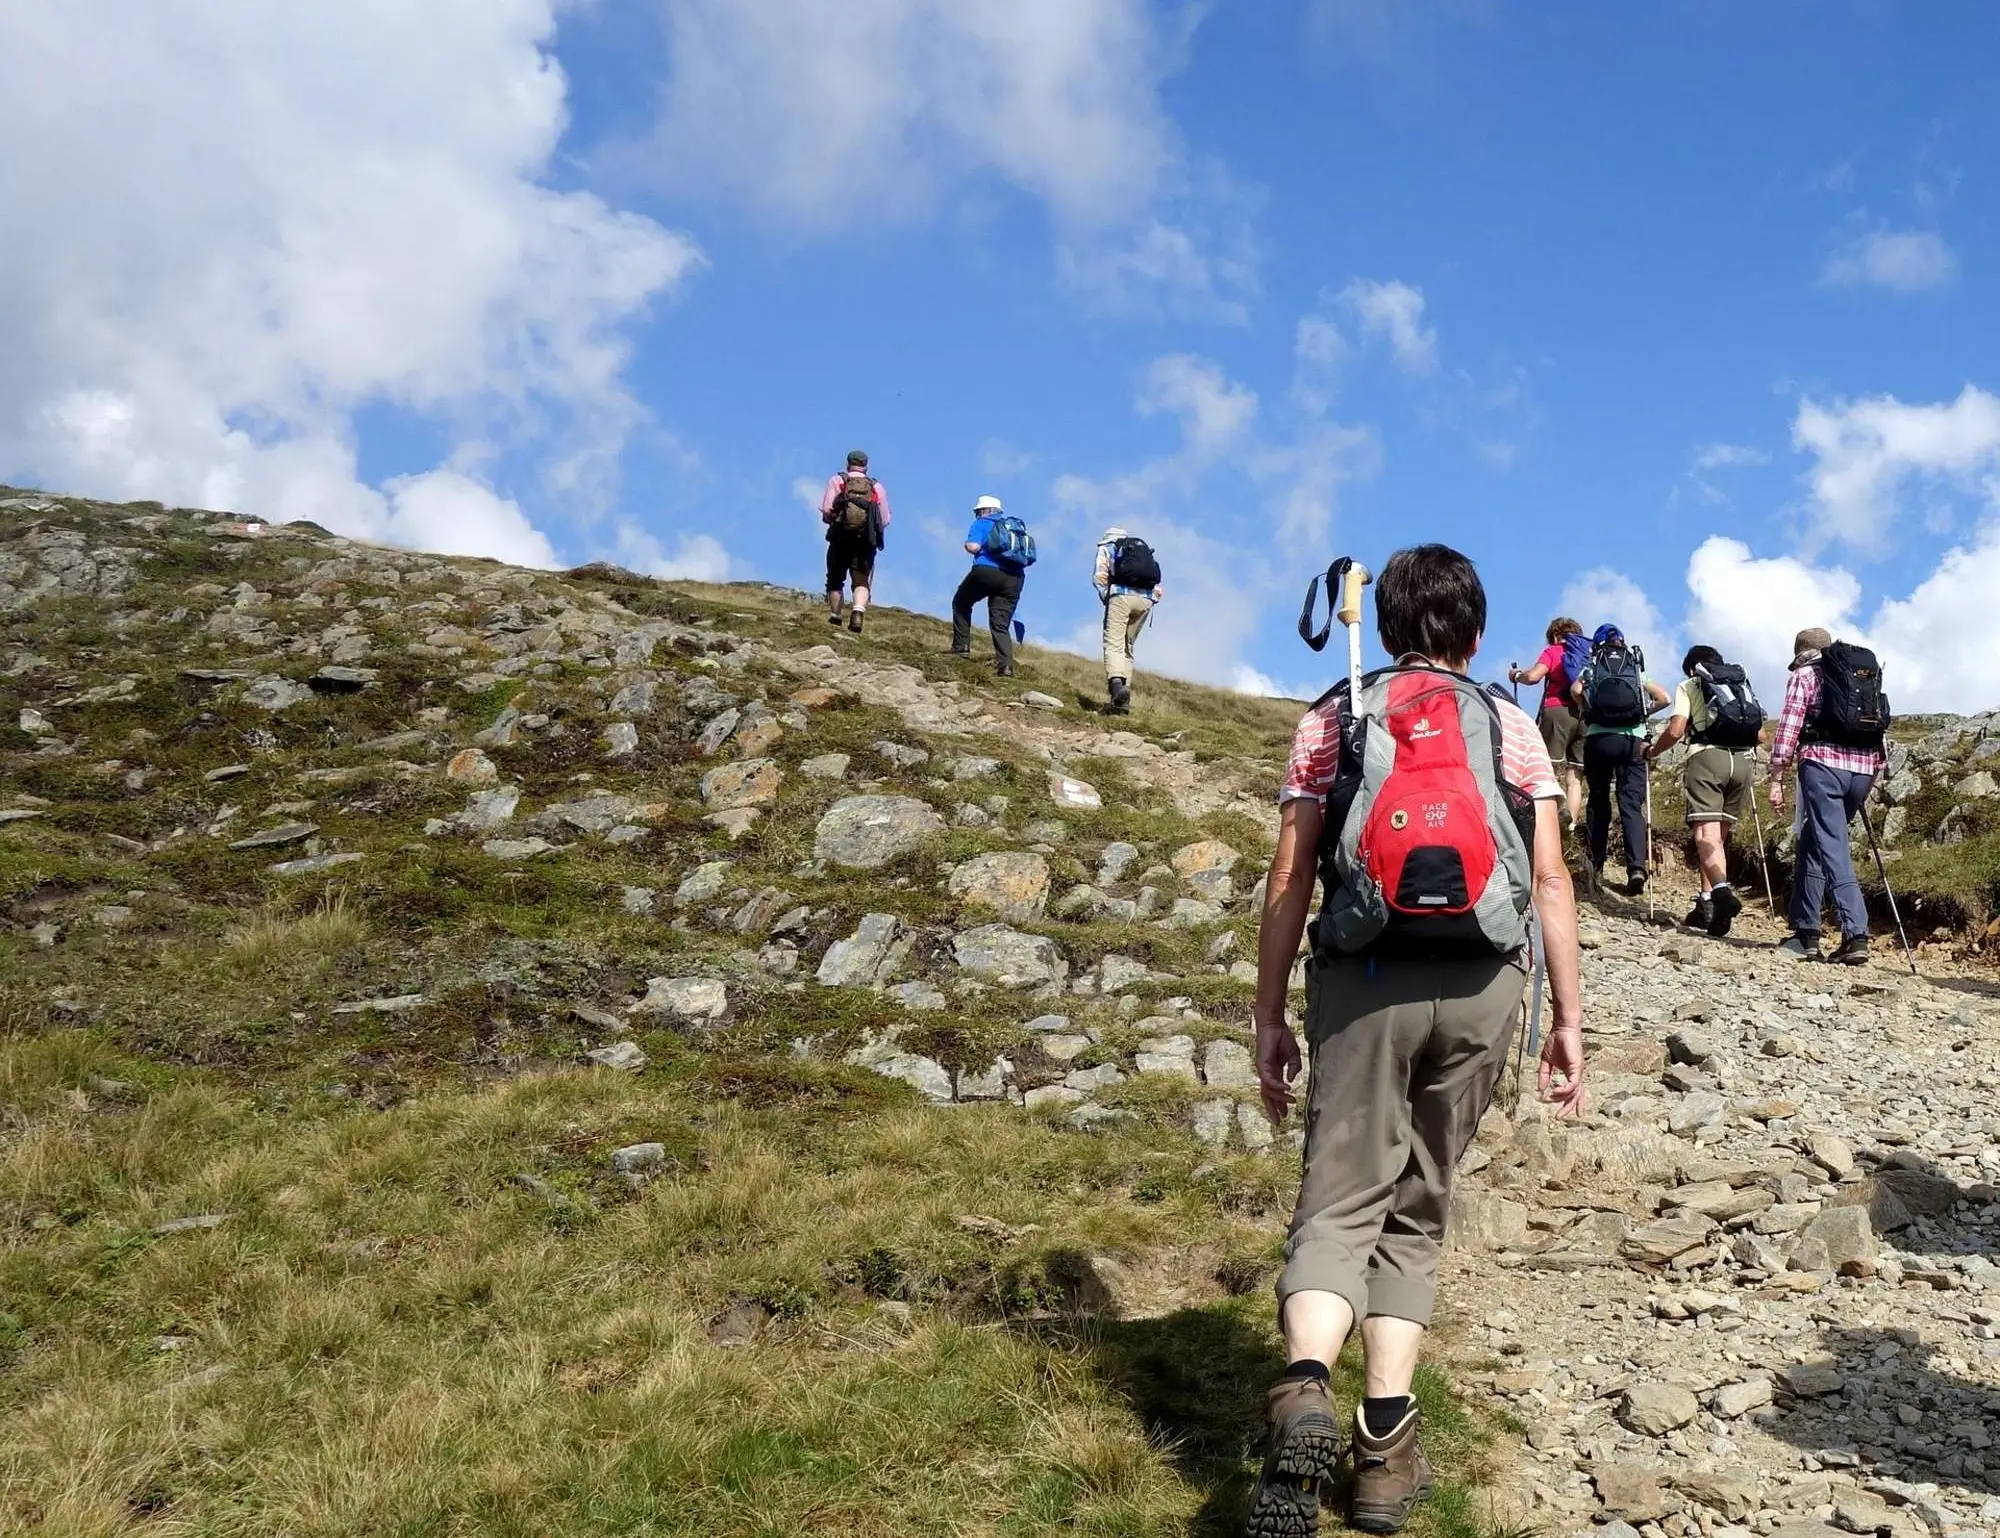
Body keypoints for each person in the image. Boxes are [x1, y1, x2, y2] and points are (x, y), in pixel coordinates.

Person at [1250, 543, 1586, 1537]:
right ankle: (1383, 1454)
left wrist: (1268, 1012)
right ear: (1474, 633)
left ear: (1388, 624)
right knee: (1418, 1203)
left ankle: (1305, 1387)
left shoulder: (1335, 716)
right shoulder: (1510, 725)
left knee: (1338, 1198)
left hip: (1363, 980)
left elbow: (1289, 876)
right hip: (1483, 985)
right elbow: (1550, 881)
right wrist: (1566, 1022)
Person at [1767, 627, 1886, 964]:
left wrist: (1776, 778)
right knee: (1814, 841)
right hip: (1862, 771)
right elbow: (1877, 726)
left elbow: (1789, 727)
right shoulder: (1862, 675)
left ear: (1800, 652)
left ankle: (1856, 933)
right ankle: (1805, 932)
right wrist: (1874, 772)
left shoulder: (1804, 675)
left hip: (1823, 766)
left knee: (1832, 846)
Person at [1647, 646, 1759, 936]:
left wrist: (1652, 751)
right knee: (1718, 839)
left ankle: (1721, 892)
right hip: (1742, 764)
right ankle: (1708, 904)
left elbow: (1676, 730)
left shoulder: (1690, 684)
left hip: (1707, 759)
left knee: (1705, 835)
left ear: (1691, 668)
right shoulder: (1739, 684)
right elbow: (1760, 733)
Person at [1571, 624, 1671, 896]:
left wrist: (1587, 711)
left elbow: (1576, 690)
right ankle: (1636, 868)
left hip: (1598, 740)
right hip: (1632, 742)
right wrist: (1643, 713)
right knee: (1630, 805)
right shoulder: (1635, 667)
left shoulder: (1593, 665)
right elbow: (1664, 698)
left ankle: (1595, 866)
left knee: (1598, 801)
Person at [1508, 617, 1584, 827]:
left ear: (1555, 635)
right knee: (1575, 774)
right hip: (1584, 714)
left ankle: (1554, 817)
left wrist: (1516, 675)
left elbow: (1533, 677)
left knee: (1550, 766)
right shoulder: (1587, 654)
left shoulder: (1553, 651)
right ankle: (1570, 826)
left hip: (1557, 710)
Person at [950, 495, 1029, 676]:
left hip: (987, 571)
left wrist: (966, 545)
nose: (977, 515)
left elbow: (973, 547)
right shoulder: (1013, 529)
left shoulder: (982, 523)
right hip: (1014, 578)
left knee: (961, 602)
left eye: (978, 511)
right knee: (1000, 624)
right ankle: (1006, 666)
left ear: (985, 510)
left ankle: (961, 648)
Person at [819, 449, 890, 635]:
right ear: (866, 465)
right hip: (865, 539)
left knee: (835, 578)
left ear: (847, 463)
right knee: (861, 579)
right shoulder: (876, 487)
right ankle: (857, 613)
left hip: (840, 536)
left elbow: (826, 510)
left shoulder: (837, 481)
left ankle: (836, 616)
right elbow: (884, 520)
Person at [1093, 526, 1163, 715]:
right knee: (1127, 647)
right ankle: (1123, 702)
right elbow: (1156, 585)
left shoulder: (1108, 547)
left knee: (1114, 643)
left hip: (1121, 596)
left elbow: (1100, 577)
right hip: (1145, 601)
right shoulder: (1139, 548)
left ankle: (1117, 688)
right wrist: (1152, 599)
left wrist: (1108, 597)